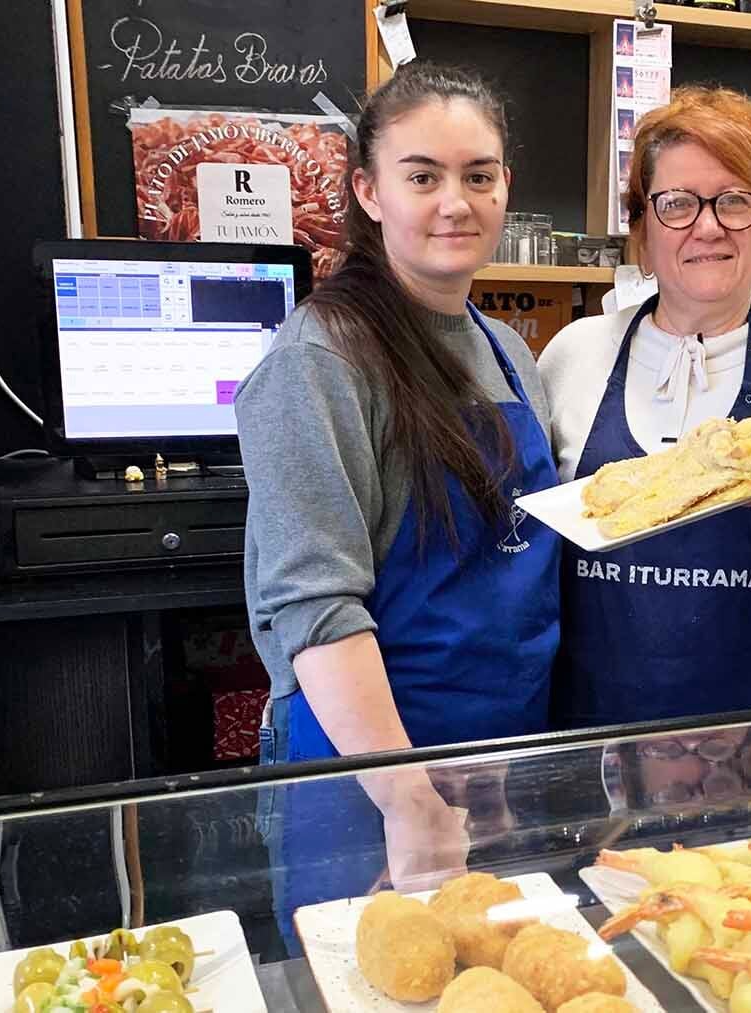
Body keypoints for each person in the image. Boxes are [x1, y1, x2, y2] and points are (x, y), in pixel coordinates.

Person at [235, 63, 559, 907]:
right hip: (369, 767)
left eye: (477, 176)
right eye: (423, 176)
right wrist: (407, 796)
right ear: (370, 192)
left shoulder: (509, 352)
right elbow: (316, 606)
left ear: (504, 188)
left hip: (501, 751)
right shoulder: (319, 359)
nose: (455, 202)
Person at [539, 86, 751, 728]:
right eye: (676, 204)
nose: (707, 226)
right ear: (642, 228)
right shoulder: (573, 355)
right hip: (595, 747)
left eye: (734, 201)